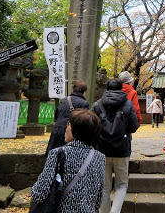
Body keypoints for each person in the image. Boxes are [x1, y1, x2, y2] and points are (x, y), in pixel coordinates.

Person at [32, 109, 106, 213]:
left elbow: (39, 193)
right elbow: (98, 200)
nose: (65, 129)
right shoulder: (100, 157)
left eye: (68, 125)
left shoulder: (57, 154)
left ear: (76, 131)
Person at [91, 79, 140, 213]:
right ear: (121, 88)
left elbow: (91, 126)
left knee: (105, 187)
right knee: (121, 185)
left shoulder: (97, 104)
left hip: (101, 150)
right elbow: (134, 127)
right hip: (121, 149)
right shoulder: (127, 104)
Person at [45, 80, 89, 156]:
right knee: (67, 157)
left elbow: (56, 115)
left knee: (54, 156)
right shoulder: (84, 103)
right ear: (84, 92)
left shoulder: (64, 100)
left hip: (57, 130)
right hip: (71, 133)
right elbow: (83, 121)